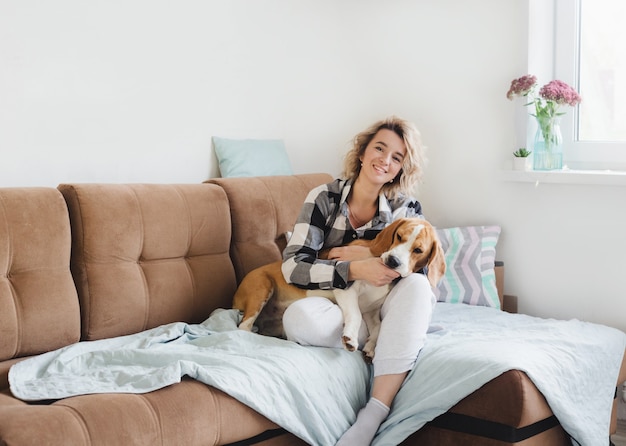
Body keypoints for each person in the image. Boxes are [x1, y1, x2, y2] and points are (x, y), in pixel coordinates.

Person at [281, 116, 435, 445]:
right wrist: (352, 270)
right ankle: (378, 338)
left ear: (400, 169)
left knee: (419, 289)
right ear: (362, 152)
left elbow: (417, 270)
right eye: (380, 148)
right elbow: (293, 266)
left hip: (383, 302)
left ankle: (374, 412)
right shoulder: (323, 197)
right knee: (297, 319)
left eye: (397, 158)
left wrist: (360, 255)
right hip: (336, 305)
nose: (386, 160)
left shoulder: (405, 208)